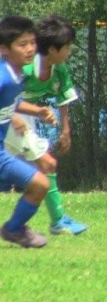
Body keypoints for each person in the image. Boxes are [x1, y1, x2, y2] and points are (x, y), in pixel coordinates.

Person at [5, 14, 87, 235]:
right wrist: (14, 116)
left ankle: (55, 221)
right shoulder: (25, 66)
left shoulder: (59, 69)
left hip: (24, 117)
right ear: (51, 49)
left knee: (44, 166)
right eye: (67, 47)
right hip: (12, 117)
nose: (69, 52)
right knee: (47, 163)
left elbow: (64, 98)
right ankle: (55, 221)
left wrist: (65, 131)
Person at [0, 15, 52, 248]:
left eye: (32, 42)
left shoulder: (16, 75)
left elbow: (10, 102)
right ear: (4, 49)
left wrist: (37, 111)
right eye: (22, 44)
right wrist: (15, 118)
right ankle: (14, 229)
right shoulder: (3, 77)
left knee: (40, 184)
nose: (30, 49)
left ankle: (14, 229)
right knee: (40, 184)